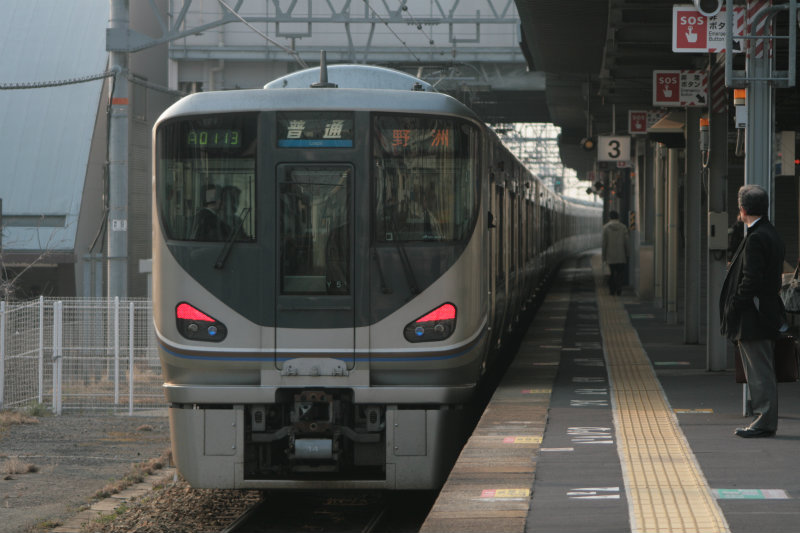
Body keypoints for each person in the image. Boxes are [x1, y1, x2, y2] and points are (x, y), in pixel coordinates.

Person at [719, 184, 786, 438]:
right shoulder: (771, 233)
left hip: (754, 315)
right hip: (765, 311)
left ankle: (764, 420)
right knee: (762, 369)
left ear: (743, 209)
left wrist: (735, 305)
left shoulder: (756, 238)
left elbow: (751, 280)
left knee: (759, 371)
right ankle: (764, 418)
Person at [602, 210, 629, 295]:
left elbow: (604, 243)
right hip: (621, 256)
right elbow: (626, 242)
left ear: (609, 217)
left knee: (612, 273)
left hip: (610, 256)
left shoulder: (605, 228)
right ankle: (619, 288)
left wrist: (603, 256)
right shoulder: (623, 227)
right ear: (618, 217)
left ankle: (612, 290)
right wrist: (627, 253)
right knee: (620, 273)